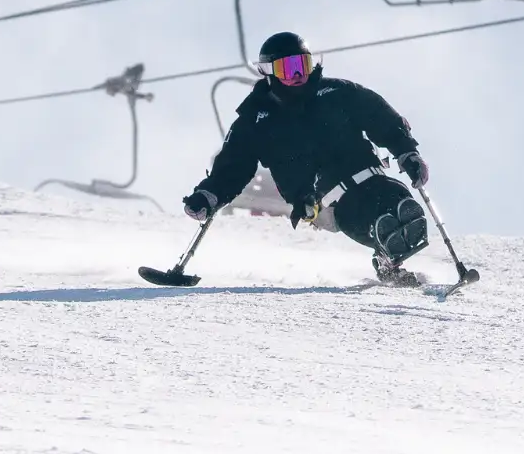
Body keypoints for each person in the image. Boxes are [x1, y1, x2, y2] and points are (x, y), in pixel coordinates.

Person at [182, 31, 432, 284]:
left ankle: (391, 254)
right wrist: (208, 195)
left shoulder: (336, 92)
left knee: (399, 206)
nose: (298, 74)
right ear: (269, 71)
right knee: (369, 217)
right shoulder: (256, 120)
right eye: (288, 68)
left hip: (370, 174)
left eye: (303, 64)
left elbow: (381, 118)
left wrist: (407, 152)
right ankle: (384, 243)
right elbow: (233, 166)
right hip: (327, 197)